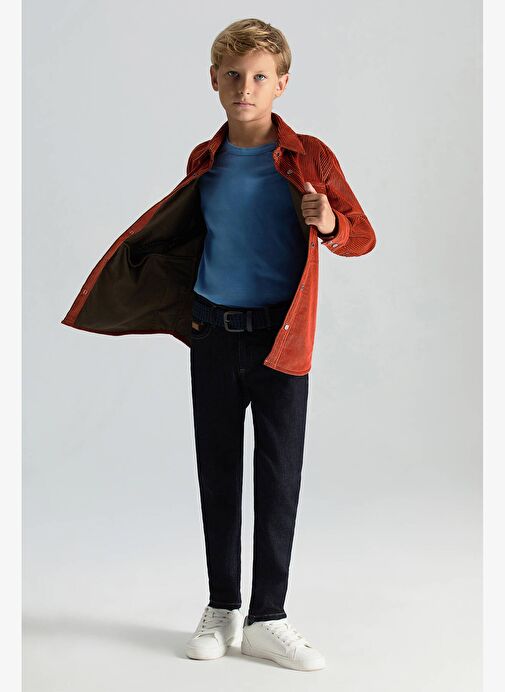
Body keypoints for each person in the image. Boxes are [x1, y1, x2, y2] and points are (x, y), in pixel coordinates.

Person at [61, 17, 376, 673]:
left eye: (259, 77)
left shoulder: (309, 156)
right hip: (211, 335)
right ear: (213, 80)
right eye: (232, 75)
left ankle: (268, 617)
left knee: (278, 478)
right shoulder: (204, 160)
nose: (244, 88)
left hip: (281, 341)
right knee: (218, 472)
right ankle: (223, 606)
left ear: (282, 84)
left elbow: (361, 236)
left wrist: (329, 221)